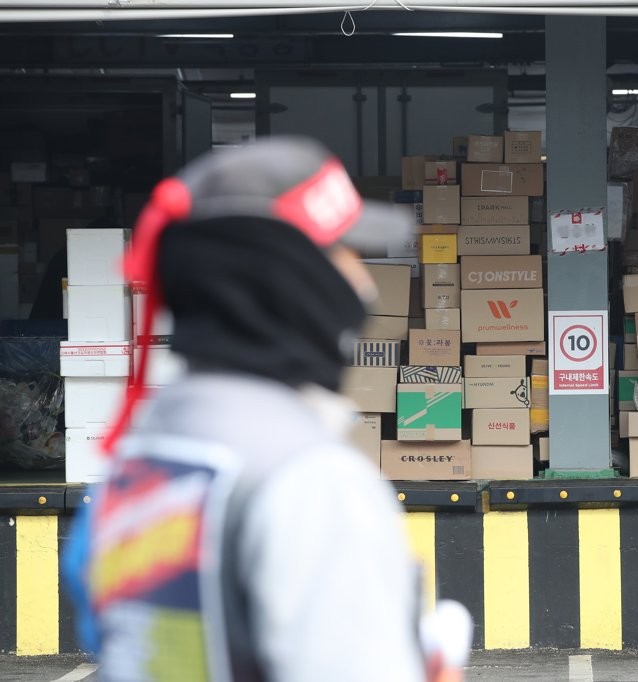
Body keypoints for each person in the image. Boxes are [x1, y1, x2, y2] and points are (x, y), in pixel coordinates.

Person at [62, 137, 466, 681]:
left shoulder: (145, 455)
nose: (366, 283)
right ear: (289, 274)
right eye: (346, 253)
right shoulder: (312, 480)